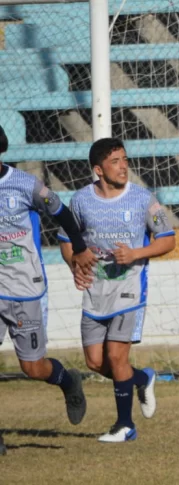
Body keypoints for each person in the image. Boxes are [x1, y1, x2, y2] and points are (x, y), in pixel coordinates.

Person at [59, 137, 176, 442]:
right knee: (96, 362)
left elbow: (168, 238)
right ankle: (142, 378)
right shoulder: (80, 200)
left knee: (117, 356)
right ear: (98, 169)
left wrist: (136, 254)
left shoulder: (143, 198)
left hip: (130, 287)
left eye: (125, 159)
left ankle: (125, 426)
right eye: (115, 161)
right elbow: (66, 239)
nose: (123, 166)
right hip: (95, 290)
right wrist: (76, 263)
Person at [0, 124, 97, 453]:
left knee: (33, 367)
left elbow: (62, 212)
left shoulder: (26, 186)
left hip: (25, 290)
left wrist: (81, 249)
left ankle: (68, 381)